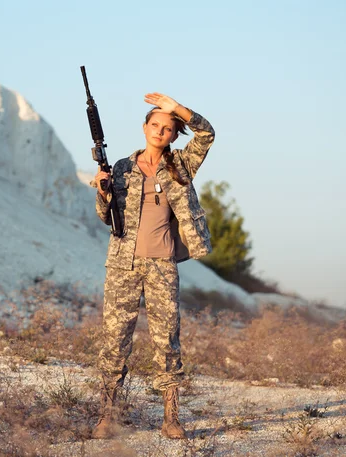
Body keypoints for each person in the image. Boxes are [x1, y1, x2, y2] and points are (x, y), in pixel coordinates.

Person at [90, 93, 215, 439]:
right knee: (115, 340)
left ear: (174, 135)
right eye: (155, 125)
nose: (160, 131)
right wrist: (102, 192)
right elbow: (106, 217)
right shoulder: (121, 168)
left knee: (167, 341)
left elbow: (206, 134)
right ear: (144, 128)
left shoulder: (180, 166)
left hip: (162, 265)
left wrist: (177, 108)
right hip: (122, 266)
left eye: (168, 128)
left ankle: (171, 418)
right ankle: (106, 416)